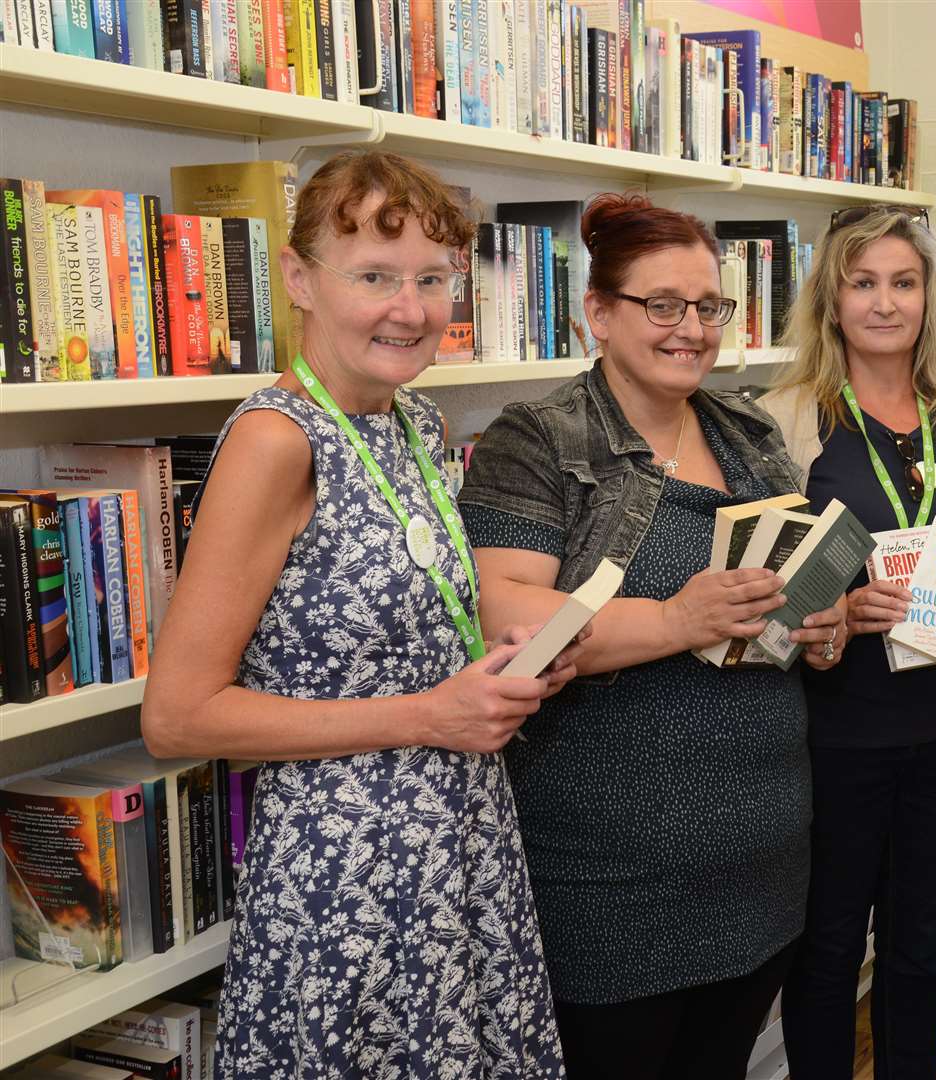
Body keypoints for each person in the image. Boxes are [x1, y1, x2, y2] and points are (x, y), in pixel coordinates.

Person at [141, 150, 573, 1078]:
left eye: (431, 279)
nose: (409, 309)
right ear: (298, 279)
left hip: (459, 849)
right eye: (374, 277)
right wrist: (430, 714)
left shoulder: (410, 423)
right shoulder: (273, 440)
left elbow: (399, 622)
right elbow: (177, 716)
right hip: (345, 882)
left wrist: (502, 657)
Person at [458, 192, 847, 1080]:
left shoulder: (748, 432)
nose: (691, 330)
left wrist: (816, 624)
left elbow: (776, 598)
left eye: (709, 307)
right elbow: (513, 620)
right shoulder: (537, 439)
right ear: (599, 312)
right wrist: (678, 620)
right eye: (662, 305)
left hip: (762, 861)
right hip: (610, 879)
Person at [761, 204, 936, 1080]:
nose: (884, 303)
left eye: (903, 283)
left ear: (929, 296)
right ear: (831, 301)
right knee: (829, 949)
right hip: (832, 736)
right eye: (862, 283)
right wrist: (833, 607)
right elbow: (763, 599)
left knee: (922, 946)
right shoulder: (785, 422)